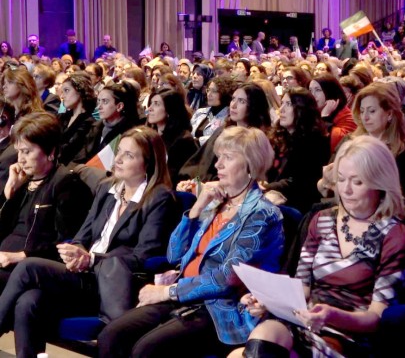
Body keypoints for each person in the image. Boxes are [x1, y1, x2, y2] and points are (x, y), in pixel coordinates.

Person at [97, 126, 284, 357]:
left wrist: (168, 292)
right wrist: (196, 208)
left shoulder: (262, 214)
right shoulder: (216, 202)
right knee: (111, 335)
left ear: (250, 164)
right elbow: (174, 254)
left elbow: (227, 279)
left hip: (219, 309)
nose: (218, 165)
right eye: (218, 157)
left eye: (228, 157)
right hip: (183, 297)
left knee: (146, 349)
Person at [0, 127, 182, 358]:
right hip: (82, 276)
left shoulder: (159, 198)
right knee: (28, 301)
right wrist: (76, 252)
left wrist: (92, 259)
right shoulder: (107, 188)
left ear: (148, 163)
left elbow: (144, 256)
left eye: (129, 155)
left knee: (28, 267)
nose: (118, 159)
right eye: (120, 152)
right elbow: (82, 235)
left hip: (114, 281)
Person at [235, 136, 405, 358]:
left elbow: (376, 318)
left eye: (357, 182)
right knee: (264, 336)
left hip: (348, 334)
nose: (345, 190)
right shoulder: (322, 219)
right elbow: (301, 287)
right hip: (303, 322)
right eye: (341, 179)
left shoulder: (394, 234)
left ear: (380, 183)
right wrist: (268, 301)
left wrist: (331, 316)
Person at [0, 113, 93, 291]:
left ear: (50, 152)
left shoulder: (67, 185)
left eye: (27, 152)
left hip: (29, 266)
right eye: (19, 151)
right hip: (6, 260)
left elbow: (65, 243)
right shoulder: (23, 180)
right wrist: (10, 192)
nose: (20, 159)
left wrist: (19, 256)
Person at [265, 87, 330, 213]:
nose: (281, 110)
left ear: (302, 109)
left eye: (288, 104)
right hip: (271, 198)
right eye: (282, 103)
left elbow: (299, 184)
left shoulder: (315, 142)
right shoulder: (279, 136)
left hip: (295, 205)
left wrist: (266, 187)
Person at [351, 83, 405, 198]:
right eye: (362, 111)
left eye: (372, 111)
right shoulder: (350, 141)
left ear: (389, 114)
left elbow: (397, 193)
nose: (365, 117)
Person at [78, 81, 141, 162]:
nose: (99, 107)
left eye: (105, 101)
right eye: (99, 101)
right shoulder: (95, 126)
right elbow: (82, 155)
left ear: (119, 106)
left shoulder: (129, 133)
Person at [146, 89, 198, 187]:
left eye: (156, 104)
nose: (150, 108)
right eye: (151, 103)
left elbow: (179, 177)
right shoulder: (149, 135)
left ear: (169, 109)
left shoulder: (183, 141)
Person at [309, 75, 357, 153]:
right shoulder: (312, 112)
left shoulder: (347, 116)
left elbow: (334, 145)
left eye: (317, 90)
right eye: (310, 90)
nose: (312, 95)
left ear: (329, 92)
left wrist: (324, 117)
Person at [58, 72, 97, 165]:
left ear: (80, 90)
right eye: (62, 92)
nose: (62, 96)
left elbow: (71, 151)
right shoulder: (62, 117)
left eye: (66, 90)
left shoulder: (90, 123)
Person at [190, 76, 237, 146]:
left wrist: (194, 141)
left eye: (214, 91)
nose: (209, 94)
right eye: (208, 90)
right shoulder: (200, 112)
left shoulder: (229, 118)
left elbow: (218, 140)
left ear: (224, 93)